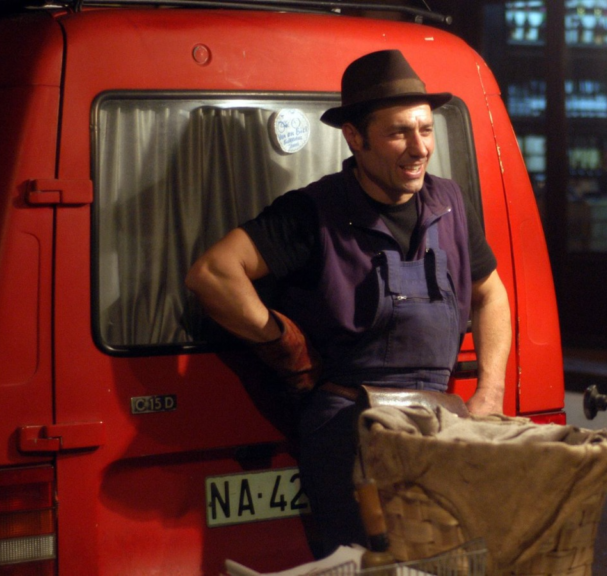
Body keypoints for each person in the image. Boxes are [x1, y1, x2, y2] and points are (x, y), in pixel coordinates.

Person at [185, 49, 511, 557]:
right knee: (367, 567)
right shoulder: (312, 213)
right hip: (349, 433)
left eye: (425, 130)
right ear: (354, 138)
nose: (418, 147)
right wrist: (282, 341)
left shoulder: (450, 203)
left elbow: (490, 293)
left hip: (439, 426)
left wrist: (489, 391)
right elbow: (213, 274)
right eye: (399, 132)